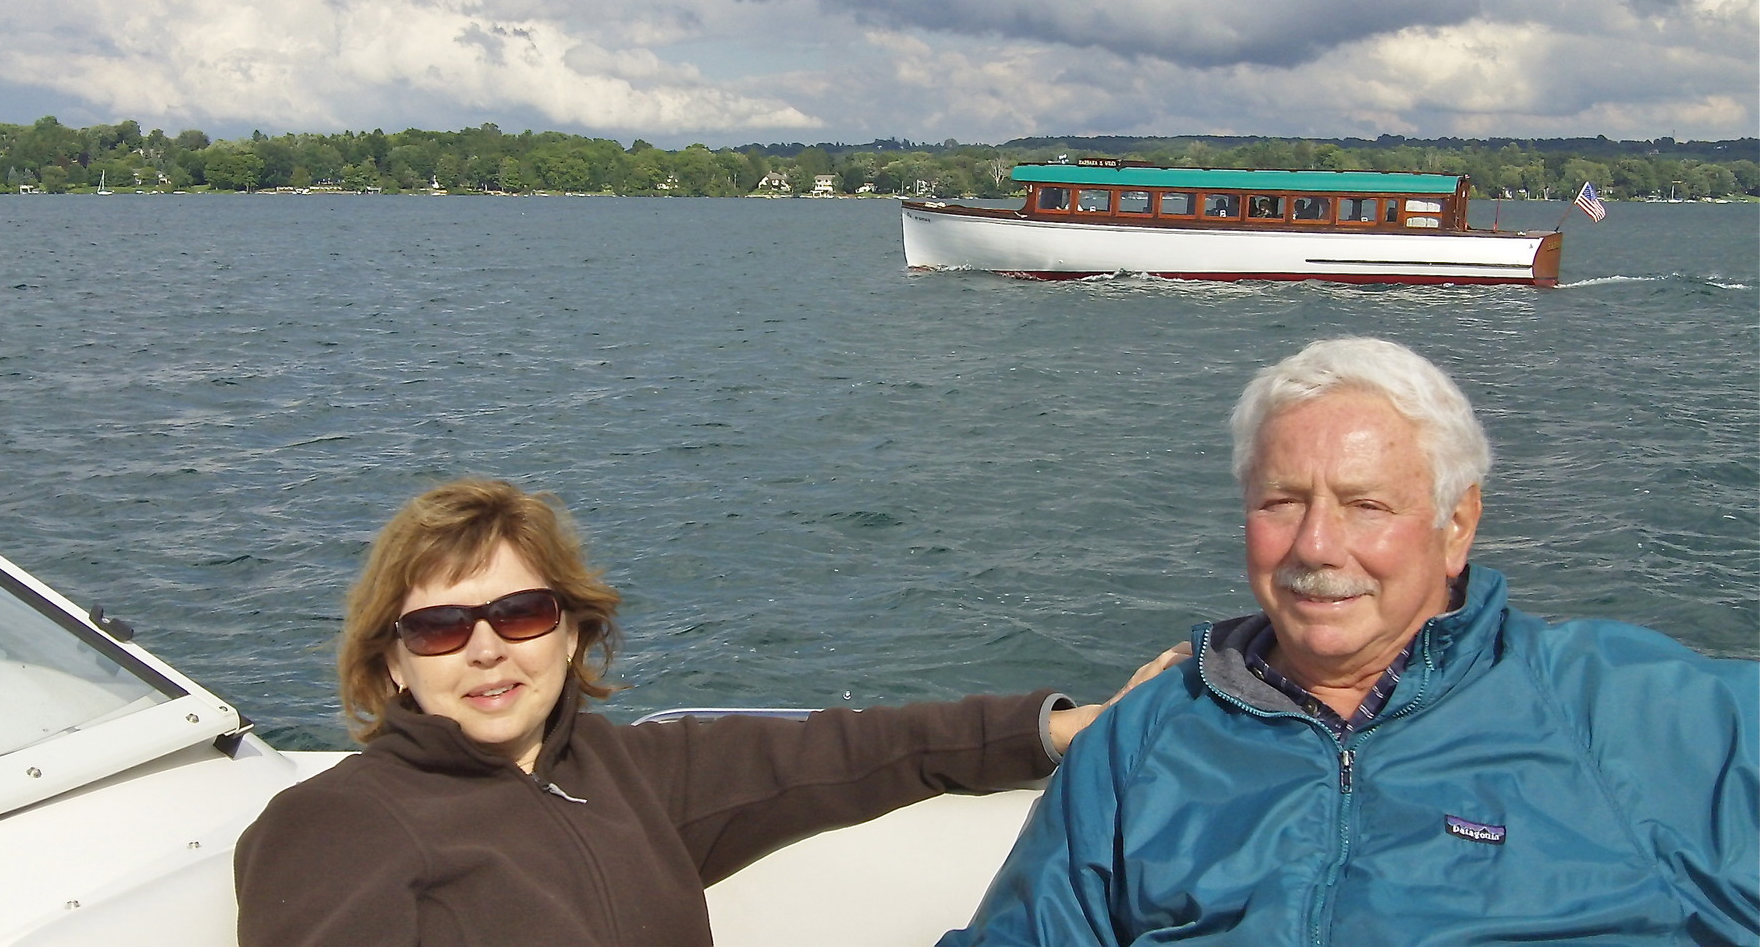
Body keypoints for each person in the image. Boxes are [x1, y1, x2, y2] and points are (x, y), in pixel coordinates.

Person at [942, 337, 1758, 945]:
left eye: (1366, 505)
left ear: (1456, 524)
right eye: (1283, 502)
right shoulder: (1143, 740)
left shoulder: (1620, 706)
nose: (1318, 546)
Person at [234, 478, 1184, 947]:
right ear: (392, 663)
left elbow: (848, 750)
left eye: (520, 612)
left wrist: (1061, 729)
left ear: (570, 633)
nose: (488, 648)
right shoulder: (336, 826)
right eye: (441, 626)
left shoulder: (623, 774)